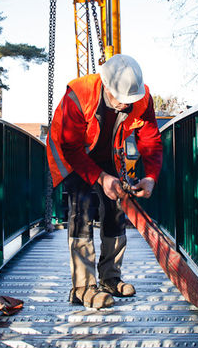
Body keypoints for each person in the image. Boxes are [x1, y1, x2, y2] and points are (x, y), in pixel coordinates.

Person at [46, 54, 163, 309]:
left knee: (116, 208)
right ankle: (83, 287)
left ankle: (110, 278)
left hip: (108, 154)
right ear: (106, 86)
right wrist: (100, 177)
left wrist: (151, 176)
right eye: (119, 99)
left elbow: (150, 139)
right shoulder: (80, 93)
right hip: (73, 156)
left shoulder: (142, 98)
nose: (124, 105)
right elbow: (70, 146)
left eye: (128, 100)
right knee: (83, 207)